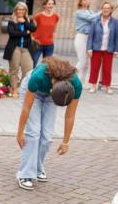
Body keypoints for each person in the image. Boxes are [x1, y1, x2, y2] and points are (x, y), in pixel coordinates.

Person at [15, 56, 82, 190]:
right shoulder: (38, 76)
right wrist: (20, 133)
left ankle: (38, 167)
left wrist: (66, 142)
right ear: (52, 83)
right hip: (34, 91)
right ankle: (25, 174)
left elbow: (70, 115)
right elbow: (27, 107)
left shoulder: (75, 85)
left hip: (55, 94)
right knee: (33, 133)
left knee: (46, 137)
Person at [86, 1, 118, 94]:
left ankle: (108, 86)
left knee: (107, 69)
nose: (105, 10)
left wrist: (116, 50)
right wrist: (89, 48)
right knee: (94, 68)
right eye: (104, 8)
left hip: (109, 49)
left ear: (111, 10)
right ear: (102, 9)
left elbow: (117, 37)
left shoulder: (115, 22)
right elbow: (90, 36)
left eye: (108, 8)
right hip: (96, 48)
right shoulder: (95, 21)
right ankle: (93, 86)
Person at [3, 2, 35, 98]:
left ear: (25, 11)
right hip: (14, 48)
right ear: (15, 10)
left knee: (28, 70)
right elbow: (12, 34)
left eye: (23, 9)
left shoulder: (29, 20)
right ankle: (14, 90)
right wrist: (26, 32)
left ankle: (21, 87)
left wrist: (24, 22)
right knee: (14, 70)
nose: (20, 11)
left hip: (26, 49)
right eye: (18, 9)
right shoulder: (11, 21)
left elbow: (33, 29)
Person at [73, 0, 98, 83]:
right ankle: (69, 75)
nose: (87, 1)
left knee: (86, 63)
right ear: (80, 2)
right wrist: (102, 12)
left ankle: (81, 81)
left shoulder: (90, 11)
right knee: (82, 61)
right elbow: (92, 18)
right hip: (81, 37)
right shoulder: (79, 12)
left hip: (90, 38)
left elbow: (96, 19)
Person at [31, 0, 59, 67]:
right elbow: (31, 29)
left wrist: (52, 39)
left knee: (47, 65)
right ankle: (30, 77)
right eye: (49, 4)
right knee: (33, 62)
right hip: (37, 44)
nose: (51, 6)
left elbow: (54, 30)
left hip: (49, 45)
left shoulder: (56, 16)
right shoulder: (38, 16)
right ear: (44, 5)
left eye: (52, 4)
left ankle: (43, 78)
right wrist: (33, 39)